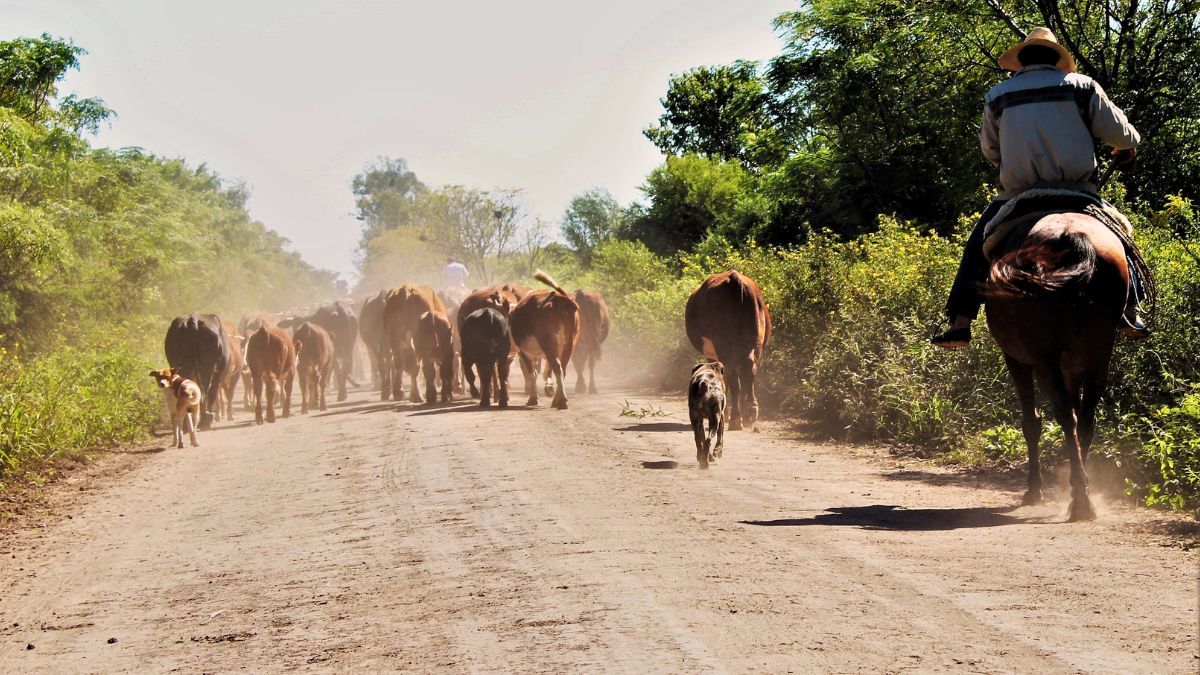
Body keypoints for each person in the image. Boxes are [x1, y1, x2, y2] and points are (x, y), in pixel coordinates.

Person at [932, 27, 1145, 349]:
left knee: (978, 245)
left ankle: (960, 323)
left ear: (1020, 61)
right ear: (1057, 60)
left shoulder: (998, 94)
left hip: (1020, 194)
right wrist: (1127, 145)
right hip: (1078, 190)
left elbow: (990, 151)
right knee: (1121, 237)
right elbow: (1121, 135)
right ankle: (1132, 308)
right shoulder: (1081, 86)